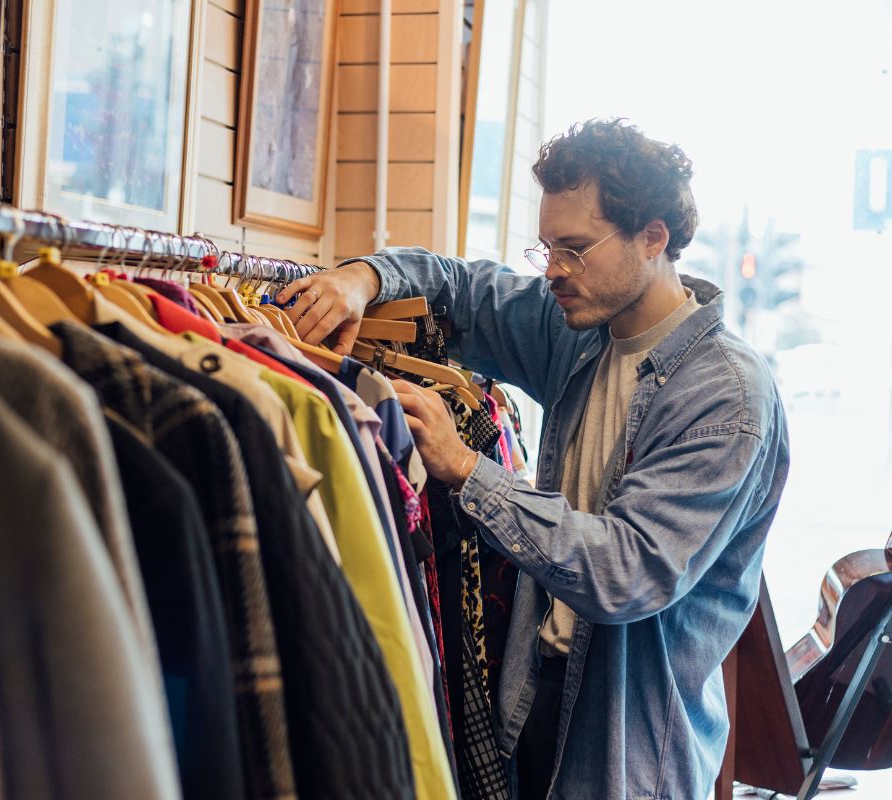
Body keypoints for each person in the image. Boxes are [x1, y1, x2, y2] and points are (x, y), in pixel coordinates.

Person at [275, 118, 789, 800]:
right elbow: (456, 285)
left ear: (653, 237)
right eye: (546, 247)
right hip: (534, 701)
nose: (553, 270)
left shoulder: (727, 400)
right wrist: (362, 279)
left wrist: (466, 468)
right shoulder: (581, 331)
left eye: (574, 248)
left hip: (630, 752)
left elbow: (625, 573)